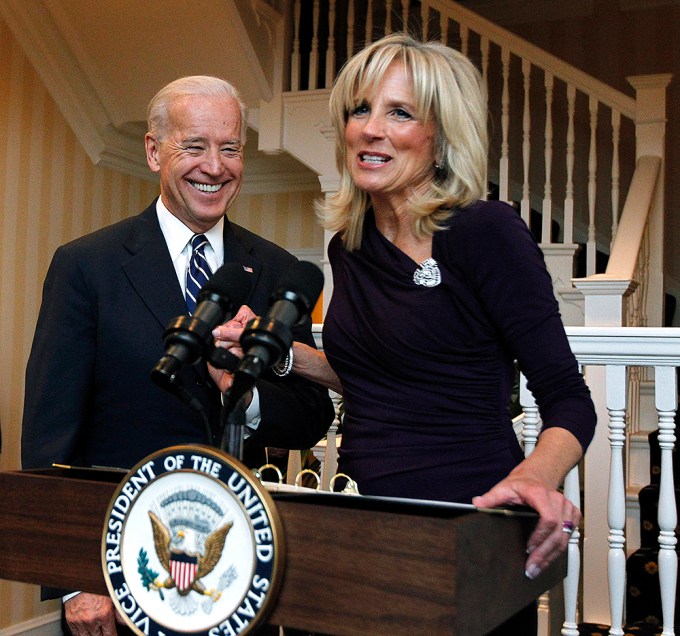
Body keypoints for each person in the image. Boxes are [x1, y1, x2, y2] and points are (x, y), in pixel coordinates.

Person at [270, 33, 597, 635]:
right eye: (359, 109)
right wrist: (281, 356)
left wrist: (534, 476)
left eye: (399, 113)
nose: (370, 129)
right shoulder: (351, 245)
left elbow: (569, 399)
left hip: (469, 519)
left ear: (441, 136)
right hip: (371, 514)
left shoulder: (486, 233)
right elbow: (380, 374)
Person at [21, 75, 334, 636]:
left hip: (240, 583)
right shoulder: (86, 267)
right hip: (118, 587)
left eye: (230, 148)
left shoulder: (279, 271)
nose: (215, 166)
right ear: (153, 151)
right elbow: (50, 437)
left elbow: (314, 415)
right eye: (194, 146)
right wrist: (73, 576)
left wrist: (247, 396)